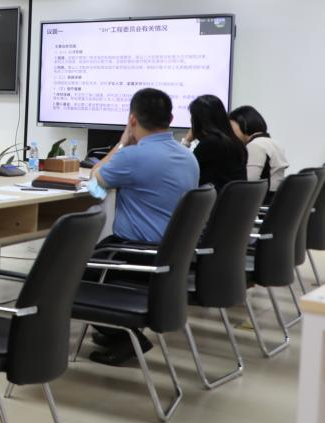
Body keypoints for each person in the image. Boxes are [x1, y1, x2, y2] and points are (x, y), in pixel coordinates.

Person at [85, 87, 199, 366]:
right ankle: (117, 331)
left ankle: (125, 336)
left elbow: (94, 184)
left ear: (132, 119)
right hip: (175, 254)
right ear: (171, 119)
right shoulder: (188, 157)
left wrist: (122, 142)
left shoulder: (133, 156)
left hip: (135, 253)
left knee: (69, 272)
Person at [185, 94, 247, 190]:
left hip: (212, 197)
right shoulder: (236, 142)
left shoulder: (210, 143)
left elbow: (183, 168)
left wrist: (186, 140)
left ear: (198, 120)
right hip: (231, 198)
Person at [229, 105, 289, 195]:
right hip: (275, 197)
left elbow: (248, 183)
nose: (230, 132)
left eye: (231, 126)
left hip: (262, 199)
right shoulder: (274, 142)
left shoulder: (255, 145)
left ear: (244, 124)